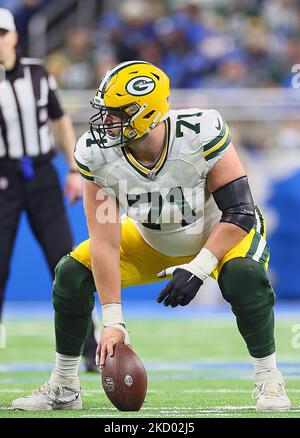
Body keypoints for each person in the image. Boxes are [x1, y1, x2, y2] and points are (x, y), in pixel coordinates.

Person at [12, 60, 291, 412]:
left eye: (116, 113)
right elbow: (104, 242)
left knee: (243, 275)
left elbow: (240, 213)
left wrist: (201, 266)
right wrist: (114, 322)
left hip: (217, 231)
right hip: (149, 236)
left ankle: (269, 379)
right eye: (105, 112)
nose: (106, 122)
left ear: (145, 113)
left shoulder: (200, 132)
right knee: (71, 273)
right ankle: (64, 386)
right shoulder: (96, 154)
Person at [0, 8, 98, 370]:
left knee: (66, 264)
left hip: (41, 175)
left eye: (1, 33)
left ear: (13, 36)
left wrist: (72, 168)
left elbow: (59, 119)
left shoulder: (38, 74)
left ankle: (90, 349)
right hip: (2, 177)